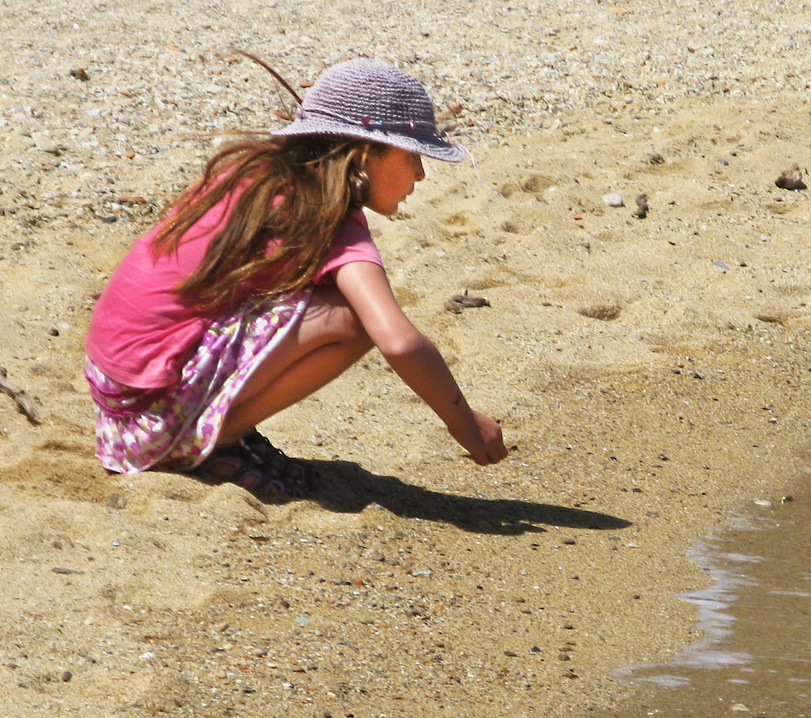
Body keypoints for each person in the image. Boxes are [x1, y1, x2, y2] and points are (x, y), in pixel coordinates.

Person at [83, 57, 507, 500]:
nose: (420, 173)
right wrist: (466, 424)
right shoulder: (330, 222)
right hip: (153, 416)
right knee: (353, 317)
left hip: (116, 393)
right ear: (363, 153)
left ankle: (216, 427)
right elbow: (399, 341)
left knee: (321, 292)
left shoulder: (252, 173)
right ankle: (217, 439)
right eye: (412, 155)